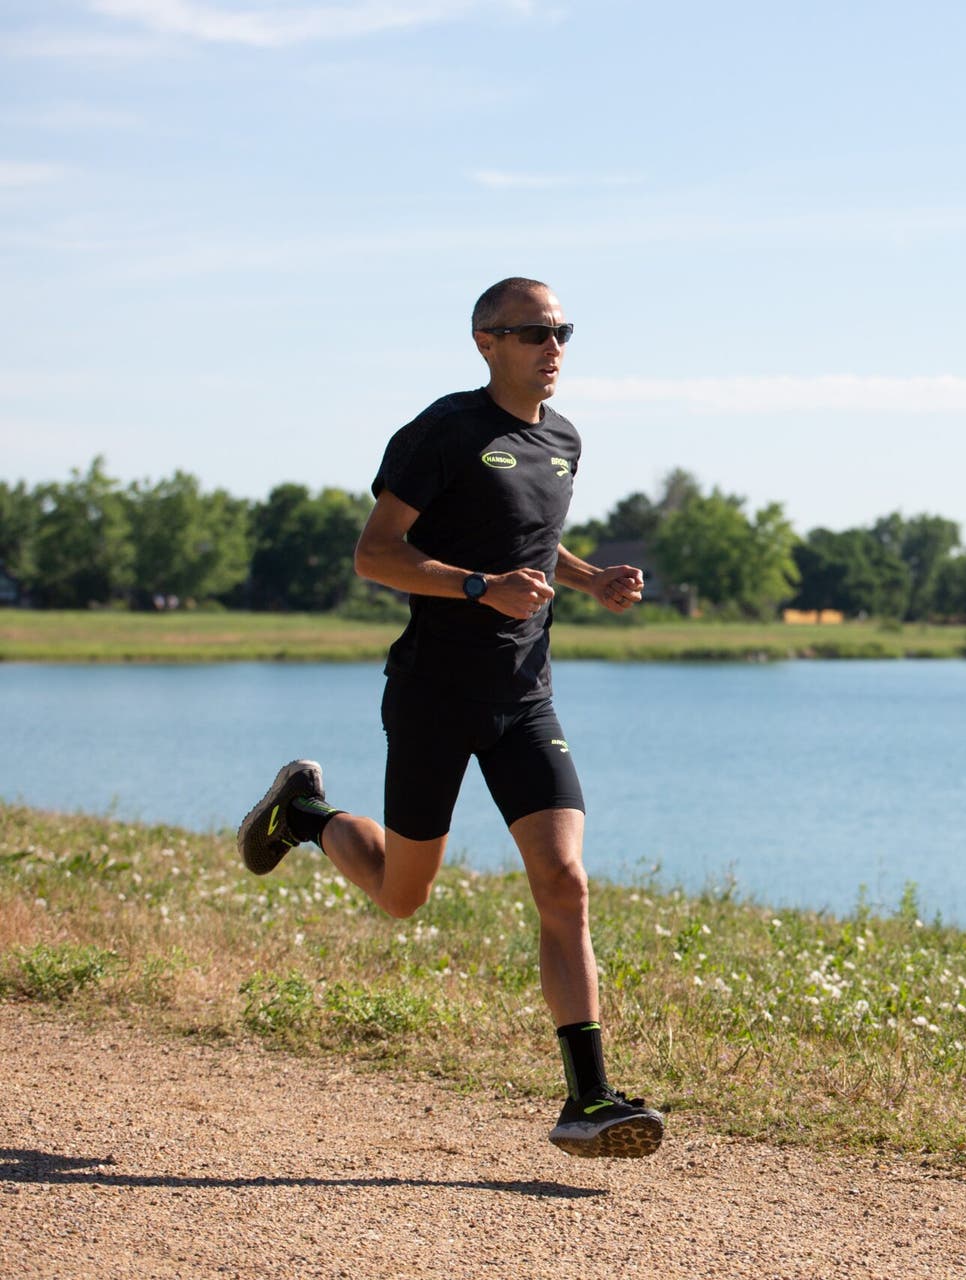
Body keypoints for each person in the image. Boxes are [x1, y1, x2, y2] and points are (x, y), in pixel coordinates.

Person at [237, 277, 663, 1159]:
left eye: (563, 332)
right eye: (534, 333)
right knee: (402, 896)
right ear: (486, 342)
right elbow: (375, 553)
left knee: (566, 882)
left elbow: (536, 543)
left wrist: (594, 581)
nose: (554, 348)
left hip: (525, 699)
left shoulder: (564, 441)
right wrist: (477, 588)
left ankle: (589, 1099)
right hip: (434, 694)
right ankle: (305, 814)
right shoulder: (444, 431)